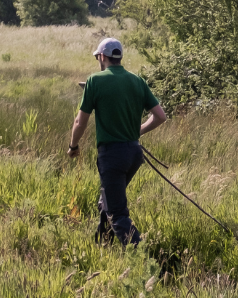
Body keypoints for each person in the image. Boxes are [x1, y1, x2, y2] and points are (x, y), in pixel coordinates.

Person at [67, 37, 167, 245]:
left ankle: (141, 258)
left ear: (102, 57)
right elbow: (160, 116)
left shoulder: (95, 81)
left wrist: (73, 146)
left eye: (98, 58)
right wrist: (138, 131)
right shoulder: (137, 81)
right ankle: (103, 244)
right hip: (133, 154)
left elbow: (80, 122)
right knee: (107, 201)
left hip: (112, 156)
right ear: (119, 57)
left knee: (117, 212)